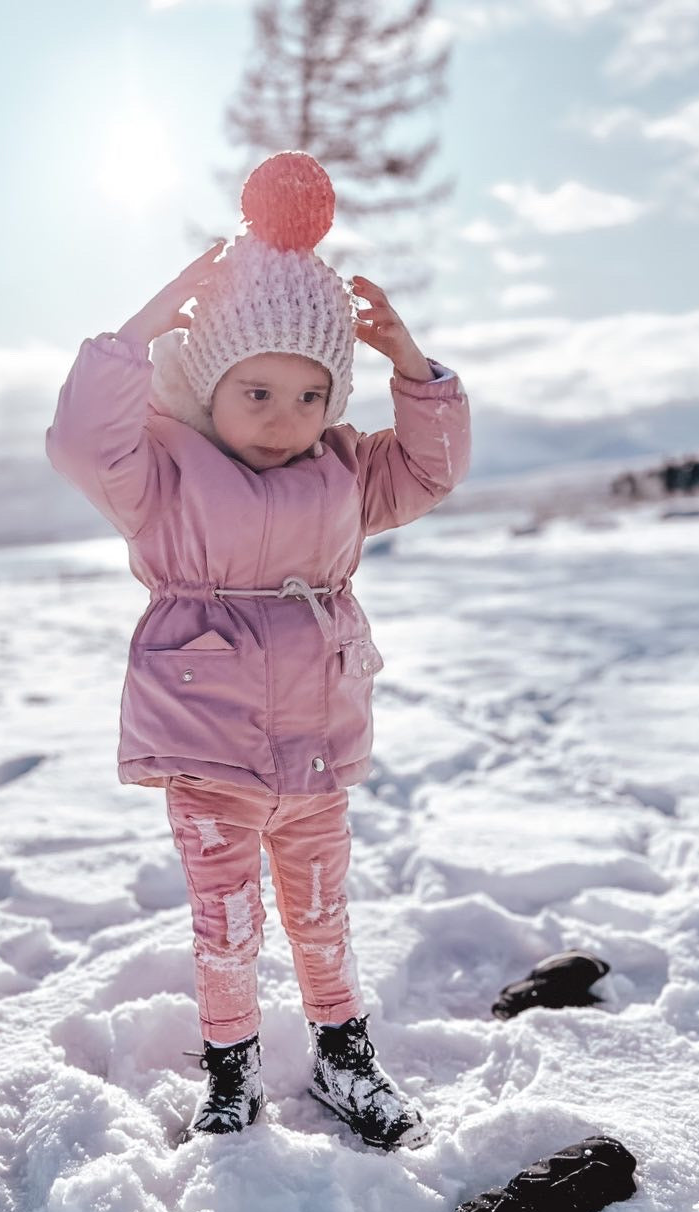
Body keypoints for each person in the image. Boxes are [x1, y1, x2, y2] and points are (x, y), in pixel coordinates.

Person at [46, 152, 471, 1150]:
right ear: (209, 385)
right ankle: (230, 1072)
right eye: (259, 392)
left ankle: (342, 1053)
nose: (288, 421)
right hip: (209, 748)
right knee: (226, 921)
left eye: (311, 396)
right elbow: (78, 442)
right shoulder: (161, 475)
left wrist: (414, 368)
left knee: (322, 914)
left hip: (315, 743)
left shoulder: (341, 474)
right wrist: (140, 333)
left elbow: (426, 471)